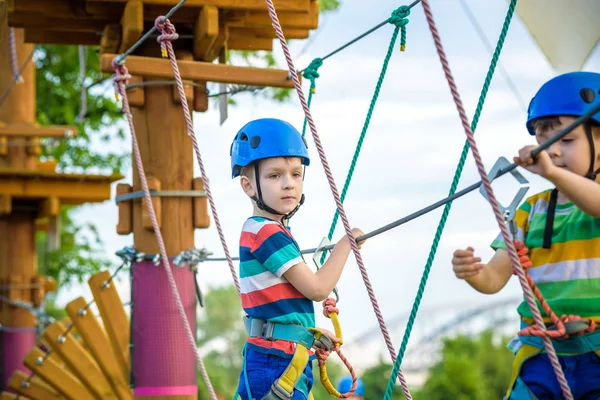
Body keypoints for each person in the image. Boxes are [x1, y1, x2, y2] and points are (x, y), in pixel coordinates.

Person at [451, 71, 600, 399]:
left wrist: (551, 174)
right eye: (544, 142)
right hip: (543, 355)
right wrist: (474, 273)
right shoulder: (530, 211)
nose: (554, 152)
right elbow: (494, 279)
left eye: (566, 140)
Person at [231, 118, 366, 399]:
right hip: (275, 364)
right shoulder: (266, 233)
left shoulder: (267, 231)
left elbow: (282, 311)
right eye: (274, 175)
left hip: (279, 359)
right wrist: (346, 244)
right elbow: (317, 289)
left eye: (295, 174)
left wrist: (309, 336)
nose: (288, 184)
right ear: (248, 186)